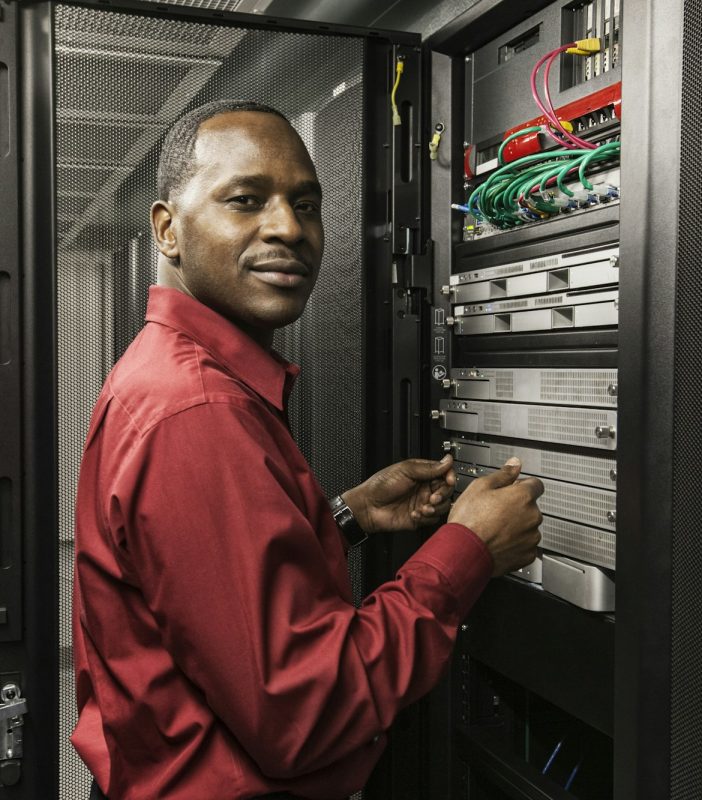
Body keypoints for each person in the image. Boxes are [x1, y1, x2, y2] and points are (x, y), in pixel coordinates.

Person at [72, 99, 543, 800]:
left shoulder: (170, 373)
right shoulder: (196, 409)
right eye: (245, 200)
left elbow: (210, 602)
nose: (288, 228)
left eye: (306, 204)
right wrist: (467, 551)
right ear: (167, 231)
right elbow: (304, 713)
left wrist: (345, 517)